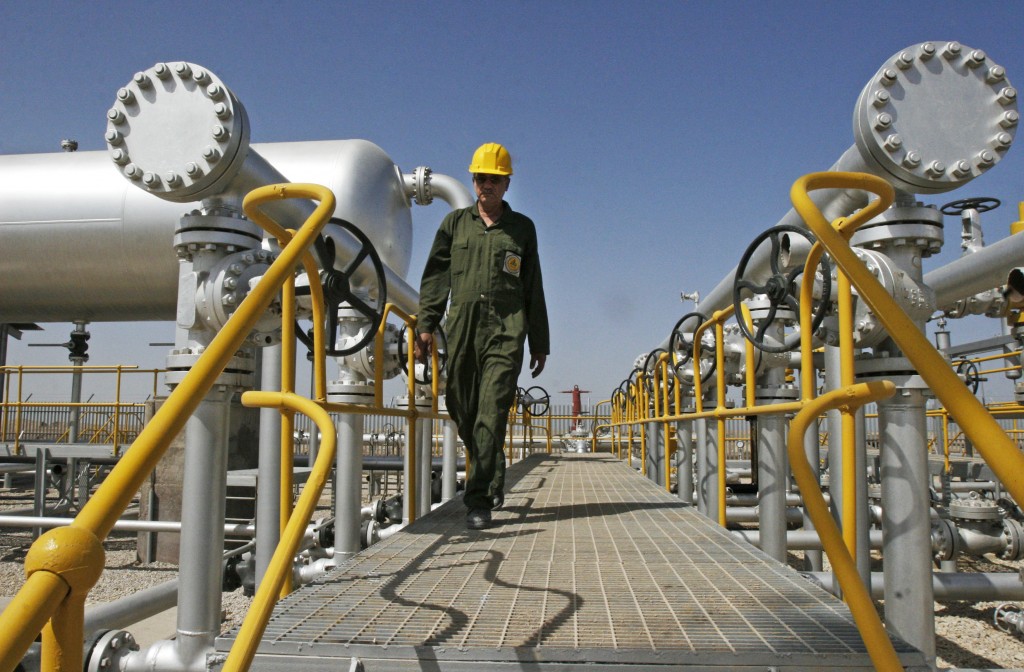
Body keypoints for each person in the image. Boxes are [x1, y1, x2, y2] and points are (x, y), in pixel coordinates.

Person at [415, 142, 550, 530]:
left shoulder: (522, 229)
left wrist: (539, 342)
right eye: (479, 178)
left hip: (506, 331)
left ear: (506, 184)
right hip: (462, 329)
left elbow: (533, 287)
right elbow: (436, 278)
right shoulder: (454, 225)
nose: (485, 185)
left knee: (491, 411)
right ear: (473, 181)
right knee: (460, 405)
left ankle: (478, 501)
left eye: (493, 179)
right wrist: (427, 324)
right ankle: (492, 472)